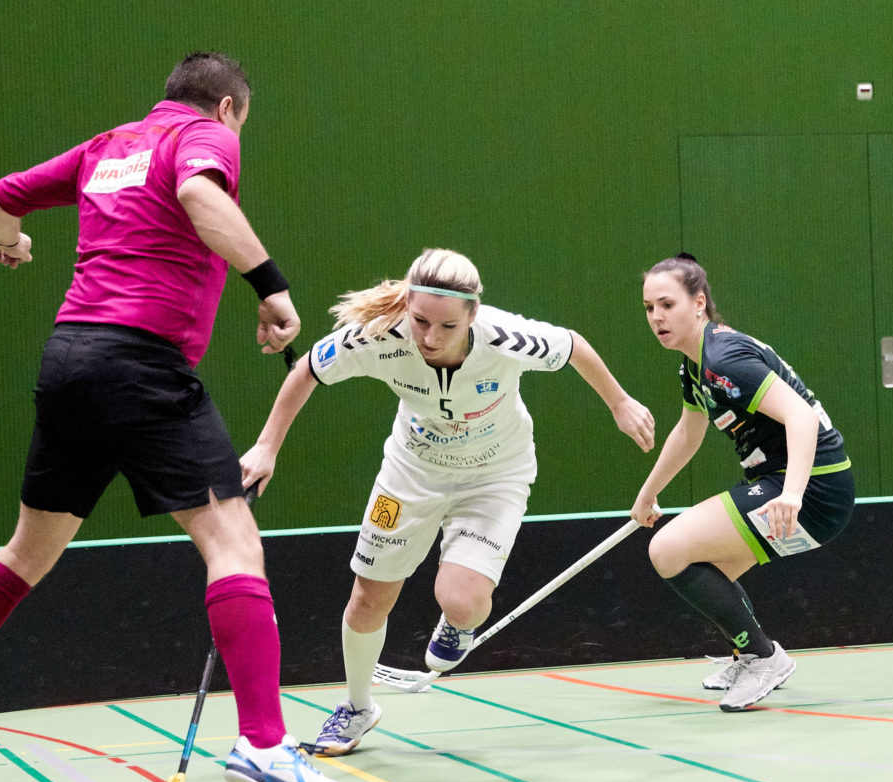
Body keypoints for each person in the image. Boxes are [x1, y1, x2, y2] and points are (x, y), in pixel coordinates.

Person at [0, 52, 354, 782]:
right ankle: (265, 744)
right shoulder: (202, 139)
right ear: (227, 108)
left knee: (28, 550)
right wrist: (272, 287)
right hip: (142, 364)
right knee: (233, 542)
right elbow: (199, 194)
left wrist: (10, 243)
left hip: (70, 359)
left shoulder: (110, 147)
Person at [239, 248, 655, 755]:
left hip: (495, 476)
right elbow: (307, 369)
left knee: (461, 599)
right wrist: (266, 447)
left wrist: (620, 402)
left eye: (446, 327)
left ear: (473, 314)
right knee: (369, 595)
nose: (430, 339)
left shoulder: (505, 338)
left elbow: (573, 347)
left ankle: (459, 623)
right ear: (407, 305)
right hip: (410, 476)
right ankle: (356, 708)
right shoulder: (379, 335)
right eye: (420, 321)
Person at [630, 253, 855, 712]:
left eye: (667, 304)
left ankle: (762, 658)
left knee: (667, 549)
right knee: (711, 573)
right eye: (650, 307)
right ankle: (749, 653)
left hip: (813, 488)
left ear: (699, 303)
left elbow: (801, 418)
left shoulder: (723, 357)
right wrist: (648, 492)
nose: (657, 317)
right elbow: (688, 432)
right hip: (789, 484)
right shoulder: (693, 366)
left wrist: (792, 493)